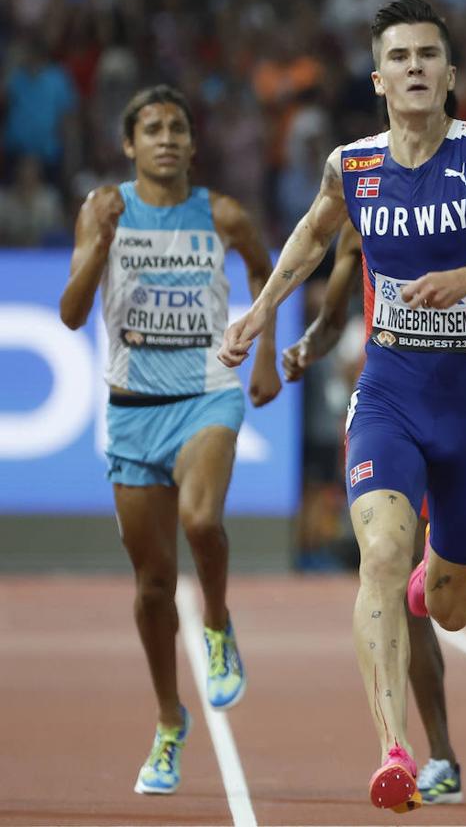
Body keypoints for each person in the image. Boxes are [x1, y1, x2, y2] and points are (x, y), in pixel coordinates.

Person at [218, 0, 466, 815]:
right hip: (387, 395)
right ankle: (393, 749)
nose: (415, 68)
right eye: (400, 57)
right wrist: (261, 311)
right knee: (380, 550)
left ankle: (430, 584)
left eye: (428, 55)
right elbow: (312, 238)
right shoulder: (353, 164)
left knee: (455, 610)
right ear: (378, 78)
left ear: (450, 74)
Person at [282, 218, 466, 805]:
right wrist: (310, 344)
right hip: (393, 417)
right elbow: (336, 311)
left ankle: (434, 564)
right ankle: (431, 754)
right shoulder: (365, 222)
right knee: (386, 564)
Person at [58, 84, 281, 795]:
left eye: (177, 128)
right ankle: (167, 720)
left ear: (192, 143)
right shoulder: (102, 209)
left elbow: (265, 269)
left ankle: (216, 622)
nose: (165, 138)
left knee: (202, 519)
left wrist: (267, 352)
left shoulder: (222, 214)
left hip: (206, 393)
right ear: (129, 145)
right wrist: (99, 245)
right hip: (131, 409)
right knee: (153, 584)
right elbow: (70, 314)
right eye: (150, 128)